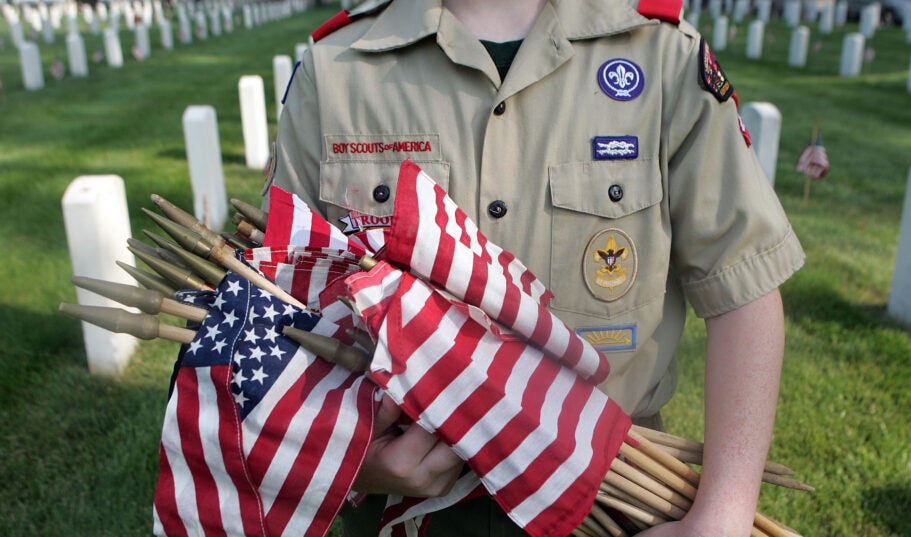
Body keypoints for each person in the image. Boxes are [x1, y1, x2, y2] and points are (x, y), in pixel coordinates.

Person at [266, 0, 805, 535]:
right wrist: (352, 457)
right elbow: (276, 306)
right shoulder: (336, 68)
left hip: (618, 497)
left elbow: (743, 284)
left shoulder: (662, 55)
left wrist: (723, 516)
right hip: (397, 511)